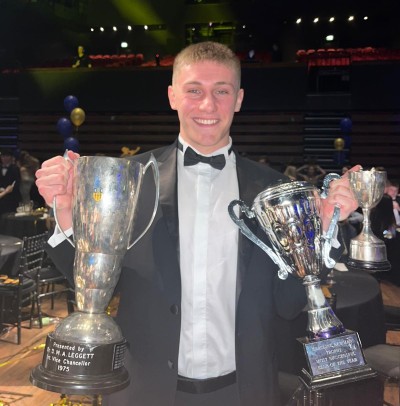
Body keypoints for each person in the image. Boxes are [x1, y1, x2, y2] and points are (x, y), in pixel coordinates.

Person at [36, 41, 359, 406]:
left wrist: (323, 232)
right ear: (173, 96)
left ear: (238, 99)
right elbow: (98, 288)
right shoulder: (132, 179)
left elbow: (288, 305)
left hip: (245, 391)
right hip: (143, 390)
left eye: (221, 91)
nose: (208, 105)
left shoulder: (272, 190)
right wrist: (64, 212)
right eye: (195, 91)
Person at [0, 148, 21, 215]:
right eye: (3, 156)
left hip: (11, 199)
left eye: (7, 156)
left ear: (11, 157)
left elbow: (17, 183)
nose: (5, 158)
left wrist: (8, 190)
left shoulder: (15, 169)